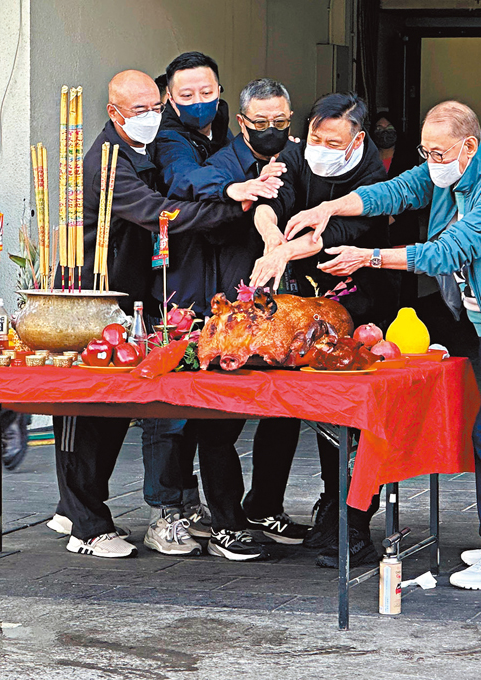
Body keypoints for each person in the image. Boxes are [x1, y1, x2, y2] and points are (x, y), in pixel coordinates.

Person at [287, 100, 481, 589]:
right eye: (426, 150)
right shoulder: (449, 172)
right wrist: (329, 207)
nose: (430, 161)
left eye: (438, 152)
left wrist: (368, 257)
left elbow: (447, 251)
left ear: (470, 145)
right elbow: (393, 192)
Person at [51, 69, 242, 559]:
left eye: (156, 107)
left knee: (115, 409)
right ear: (114, 113)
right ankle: (85, 525)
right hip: (88, 293)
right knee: (84, 411)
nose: (151, 118)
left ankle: (82, 509)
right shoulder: (106, 160)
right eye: (139, 111)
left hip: (128, 295)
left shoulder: (149, 149)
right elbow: (159, 212)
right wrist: (233, 208)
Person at [250, 92, 401, 569]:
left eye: (332, 141)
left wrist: (285, 253)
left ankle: (351, 524)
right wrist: (272, 236)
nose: (319, 146)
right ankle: (296, 508)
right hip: (299, 301)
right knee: (289, 403)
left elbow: (336, 235)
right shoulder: (296, 154)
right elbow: (266, 200)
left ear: (357, 139)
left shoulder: (372, 173)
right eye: (315, 135)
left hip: (357, 300)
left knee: (345, 417)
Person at [181, 78, 311, 547]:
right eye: (261, 122)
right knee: (222, 416)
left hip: (285, 304)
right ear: (241, 122)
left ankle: (265, 506)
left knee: (285, 413)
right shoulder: (223, 163)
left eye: (280, 121)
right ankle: (227, 519)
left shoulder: (296, 157)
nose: (272, 129)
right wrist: (243, 193)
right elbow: (199, 185)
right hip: (232, 304)